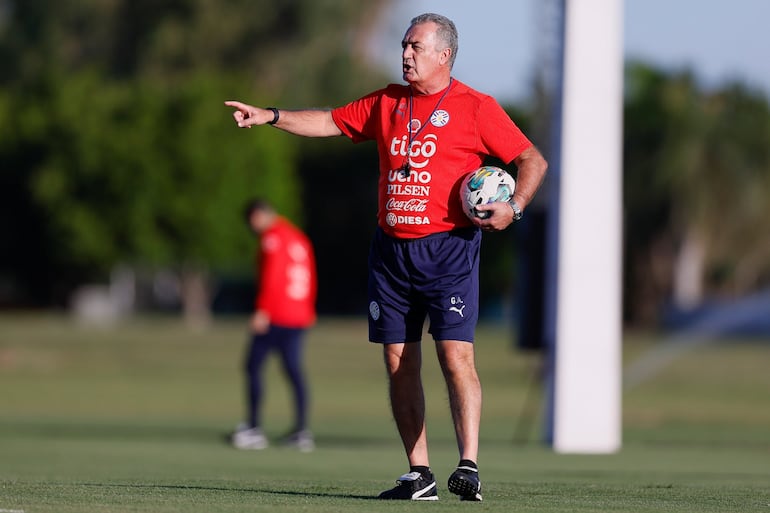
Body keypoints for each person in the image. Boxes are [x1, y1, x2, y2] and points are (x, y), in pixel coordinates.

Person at [225, 12, 547, 500]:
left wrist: (515, 208)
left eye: (416, 47)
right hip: (390, 254)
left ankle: (469, 465)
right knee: (399, 362)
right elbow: (330, 121)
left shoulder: (476, 107)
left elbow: (531, 160)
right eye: (404, 45)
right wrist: (271, 116)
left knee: (456, 358)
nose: (406, 54)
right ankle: (419, 474)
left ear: (444, 55)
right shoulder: (386, 102)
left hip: (449, 252)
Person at [231, 198, 318, 452]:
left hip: (277, 313)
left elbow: (273, 276)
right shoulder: (297, 237)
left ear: (258, 215)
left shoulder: (272, 237)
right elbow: (311, 275)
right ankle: (301, 431)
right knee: (293, 370)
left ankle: (253, 428)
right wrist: (309, 307)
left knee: (253, 365)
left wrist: (262, 310)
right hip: (299, 314)